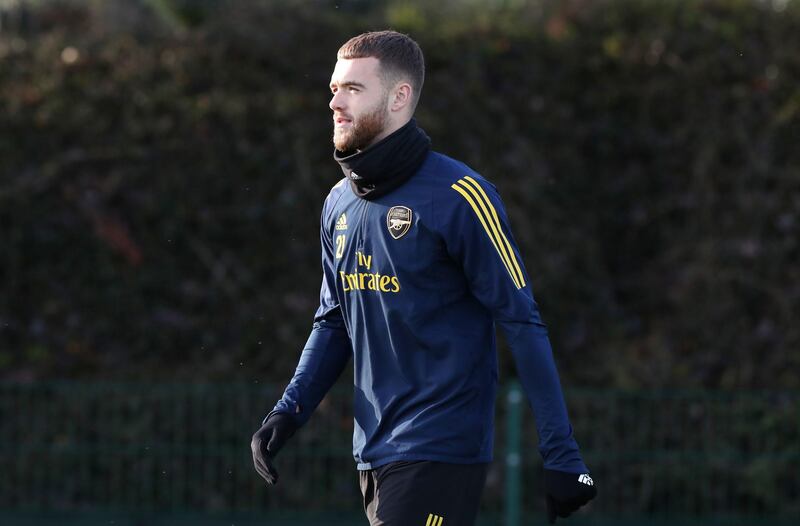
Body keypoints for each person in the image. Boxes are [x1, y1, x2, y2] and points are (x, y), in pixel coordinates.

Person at [251, 30, 596, 525]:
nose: (334, 102)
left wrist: (562, 454)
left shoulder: (461, 196)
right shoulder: (338, 204)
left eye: (352, 89)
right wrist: (287, 412)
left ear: (399, 97)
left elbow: (522, 321)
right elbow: (333, 322)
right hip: (373, 452)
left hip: (442, 448)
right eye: (333, 88)